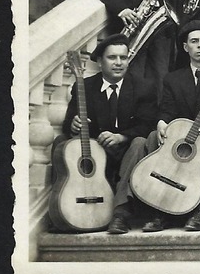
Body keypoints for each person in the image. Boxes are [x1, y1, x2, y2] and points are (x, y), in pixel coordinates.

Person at [134, 21, 200, 233]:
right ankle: (159, 207)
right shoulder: (173, 79)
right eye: (194, 41)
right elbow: (166, 109)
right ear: (185, 47)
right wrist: (162, 122)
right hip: (182, 139)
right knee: (154, 136)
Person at [55, 34, 155, 236]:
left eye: (123, 58)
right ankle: (62, 207)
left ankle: (121, 214)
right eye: (112, 58)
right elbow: (68, 122)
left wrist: (122, 137)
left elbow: (148, 124)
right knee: (60, 143)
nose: (119, 63)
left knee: (140, 142)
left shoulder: (144, 87)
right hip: (95, 154)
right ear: (100, 62)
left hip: (129, 152)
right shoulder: (85, 86)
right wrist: (73, 125)